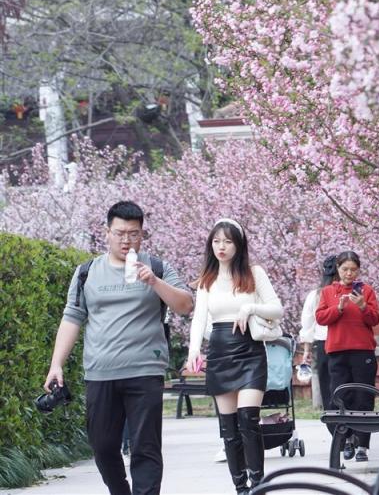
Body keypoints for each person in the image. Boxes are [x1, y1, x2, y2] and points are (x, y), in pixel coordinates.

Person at [44, 201, 194, 495]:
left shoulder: (157, 267)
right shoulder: (87, 271)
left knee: (145, 448)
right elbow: (72, 317)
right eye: (120, 233)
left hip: (145, 371)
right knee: (102, 447)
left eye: (134, 233)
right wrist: (56, 364)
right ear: (107, 232)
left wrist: (154, 281)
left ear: (142, 234)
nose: (127, 240)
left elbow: (185, 305)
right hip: (100, 372)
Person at [187, 218, 282, 495]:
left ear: (238, 244)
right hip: (220, 353)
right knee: (229, 430)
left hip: (250, 351)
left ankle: (258, 485)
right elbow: (198, 319)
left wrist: (250, 308)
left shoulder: (254, 273)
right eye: (216, 241)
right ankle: (240, 487)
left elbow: (277, 309)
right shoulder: (207, 279)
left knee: (249, 420)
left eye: (228, 241)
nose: (221, 247)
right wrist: (194, 350)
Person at [315, 250, 379, 462]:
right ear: (338, 269)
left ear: (358, 270)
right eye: (345, 269)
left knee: (363, 397)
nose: (349, 273)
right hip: (337, 351)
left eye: (353, 270)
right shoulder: (327, 292)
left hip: (363, 351)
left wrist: (362, 306)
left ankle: (363, 445)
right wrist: (339, 308)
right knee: (341, 397)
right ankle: (347, 441)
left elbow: (374, 319)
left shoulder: (367, 291)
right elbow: (321, 318)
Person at [298, 254, 338, 413]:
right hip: (340, 345)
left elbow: (308, 324)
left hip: (323, 345)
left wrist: (307, 350)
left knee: (328, 387)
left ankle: (335, 427)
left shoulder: (316, 295)